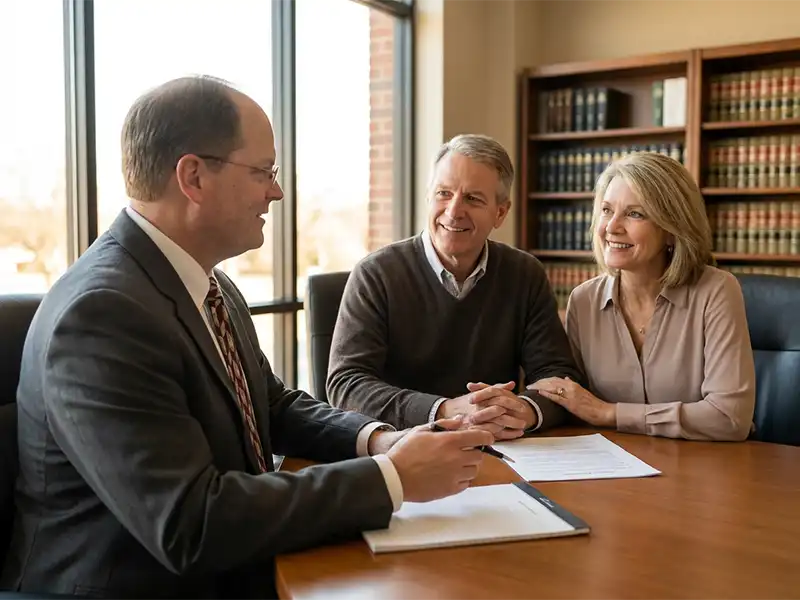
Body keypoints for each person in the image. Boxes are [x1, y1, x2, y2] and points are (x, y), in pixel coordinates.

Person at [0, 76, 495, 600]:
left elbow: (271, 404)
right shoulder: (102, 314)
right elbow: (191, 523)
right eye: (263, 171)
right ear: (193, 176)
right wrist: (389, 478)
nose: (276, 191)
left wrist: (379, 440)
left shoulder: (208, 282)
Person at [326, 134, 584, 439]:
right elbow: (347, 385)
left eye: (473, 198)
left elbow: (558, 376)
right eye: (444, 193)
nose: (454, 210)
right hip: (404, 450)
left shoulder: (524, 274)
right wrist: (445, 410)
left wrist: (524, 411)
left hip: (498, 448)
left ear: (500, 212)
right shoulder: (376, 274)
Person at [531, 152, 756, 441]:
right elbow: (575, 404)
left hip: (706, 469)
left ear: (672, 230)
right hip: (615, 470)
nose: (612, 227)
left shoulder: (717, 291)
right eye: (607, 210)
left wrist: (610, 413)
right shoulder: (583, 301)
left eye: (635, 214)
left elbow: (729, 417)